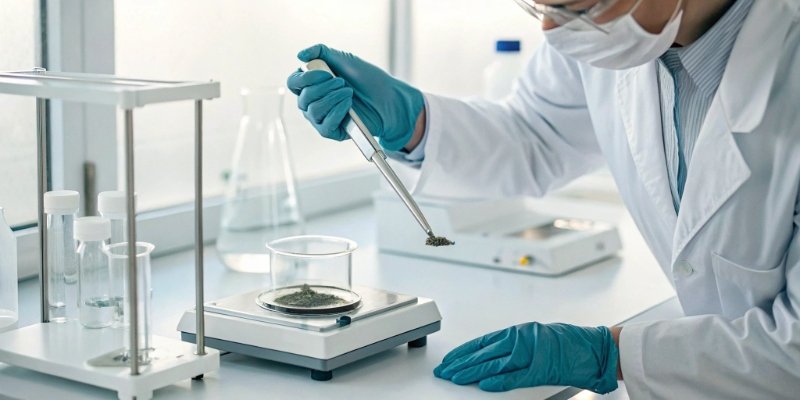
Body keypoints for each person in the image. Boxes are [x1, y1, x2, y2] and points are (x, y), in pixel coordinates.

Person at [287, 0, 800, 397]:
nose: (552, 31)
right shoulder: (615, 36)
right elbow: (536, 135)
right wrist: (413, 123)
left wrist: (610, 355)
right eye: (541, 7)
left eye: (580, 6)